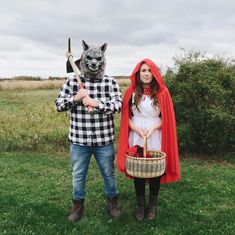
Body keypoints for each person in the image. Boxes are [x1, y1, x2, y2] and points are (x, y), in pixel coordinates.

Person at [55, 40, 122, 222]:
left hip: (104, 140)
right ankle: (77, 207)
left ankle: (112, 203)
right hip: (79, 141)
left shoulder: (110, 82)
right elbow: (59, 105)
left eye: (98, 59)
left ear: (103, 59)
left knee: (109, 173)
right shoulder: (72, 81)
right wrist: (76, 98)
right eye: (90, 59)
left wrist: (97, 104)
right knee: (78, 174)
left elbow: (118, 105)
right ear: (84, 59)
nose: (93, 62)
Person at [117, 58, 180, 221]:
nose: (146, 74)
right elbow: (127, 117)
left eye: (149, 70)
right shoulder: (130, 92)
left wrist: (153, 128)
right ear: (138, 74)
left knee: (155, 170)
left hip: (155, 134)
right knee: (138, 168)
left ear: (154, 73)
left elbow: (166, 117)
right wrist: (136, 128)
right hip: (136, 133)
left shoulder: (162, 92)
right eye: (143, 71)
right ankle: (140, 206)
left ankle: (152, 207)